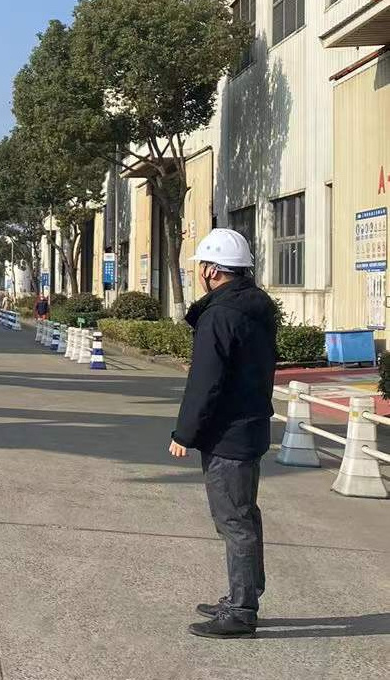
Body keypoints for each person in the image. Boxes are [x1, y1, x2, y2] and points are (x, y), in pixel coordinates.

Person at [168, 228, 277, 639]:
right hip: (249, 427)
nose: (200, 273)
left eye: (201, 266)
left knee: (234, 522)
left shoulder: (220, 314)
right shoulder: (255, 307)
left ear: (212, 269)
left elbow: (206, 381)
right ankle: (242, 594)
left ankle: (242, 610)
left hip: (228, 435)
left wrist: (185, 432)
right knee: (245, 517)